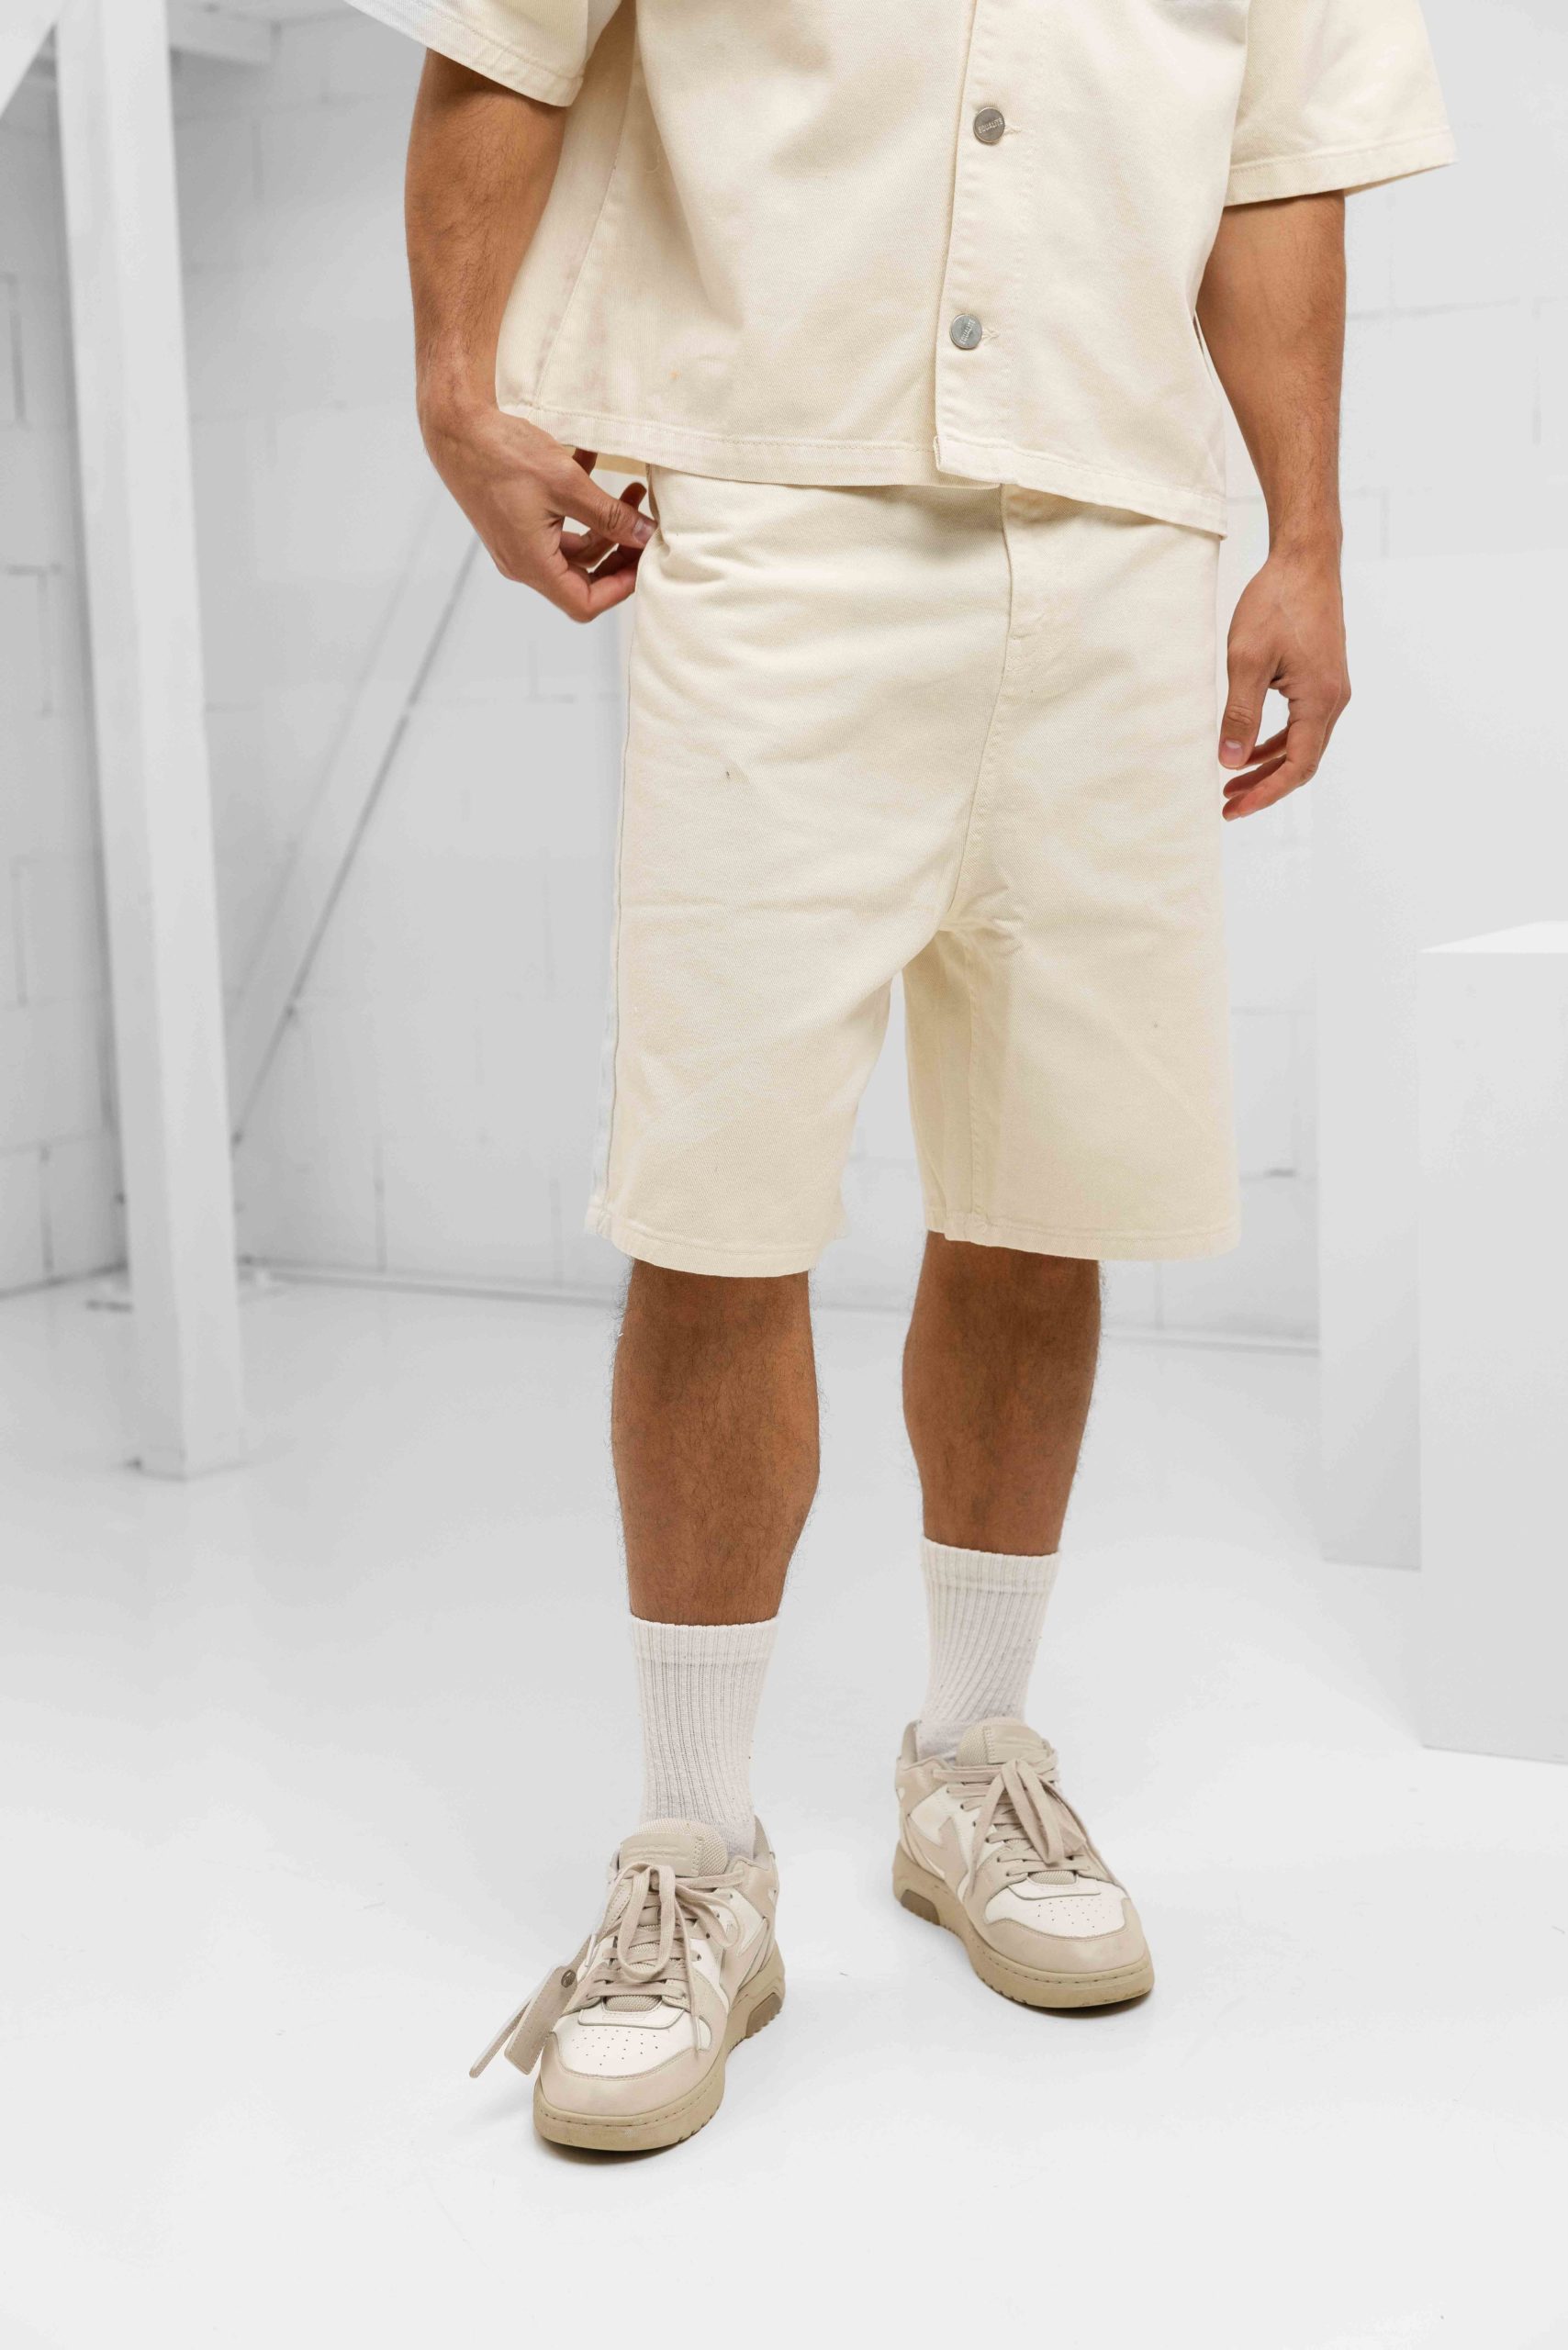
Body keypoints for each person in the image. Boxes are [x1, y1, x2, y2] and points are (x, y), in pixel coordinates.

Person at [348, 0, 1453, 2154]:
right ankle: (693, 1851)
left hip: (1120, 534)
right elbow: (500, 35)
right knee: (714, 1193)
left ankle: (970, 1758)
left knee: (1046, 1186)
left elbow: (1273, 151)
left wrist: (1302, 535)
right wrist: (458, 388)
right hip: (770, 503)